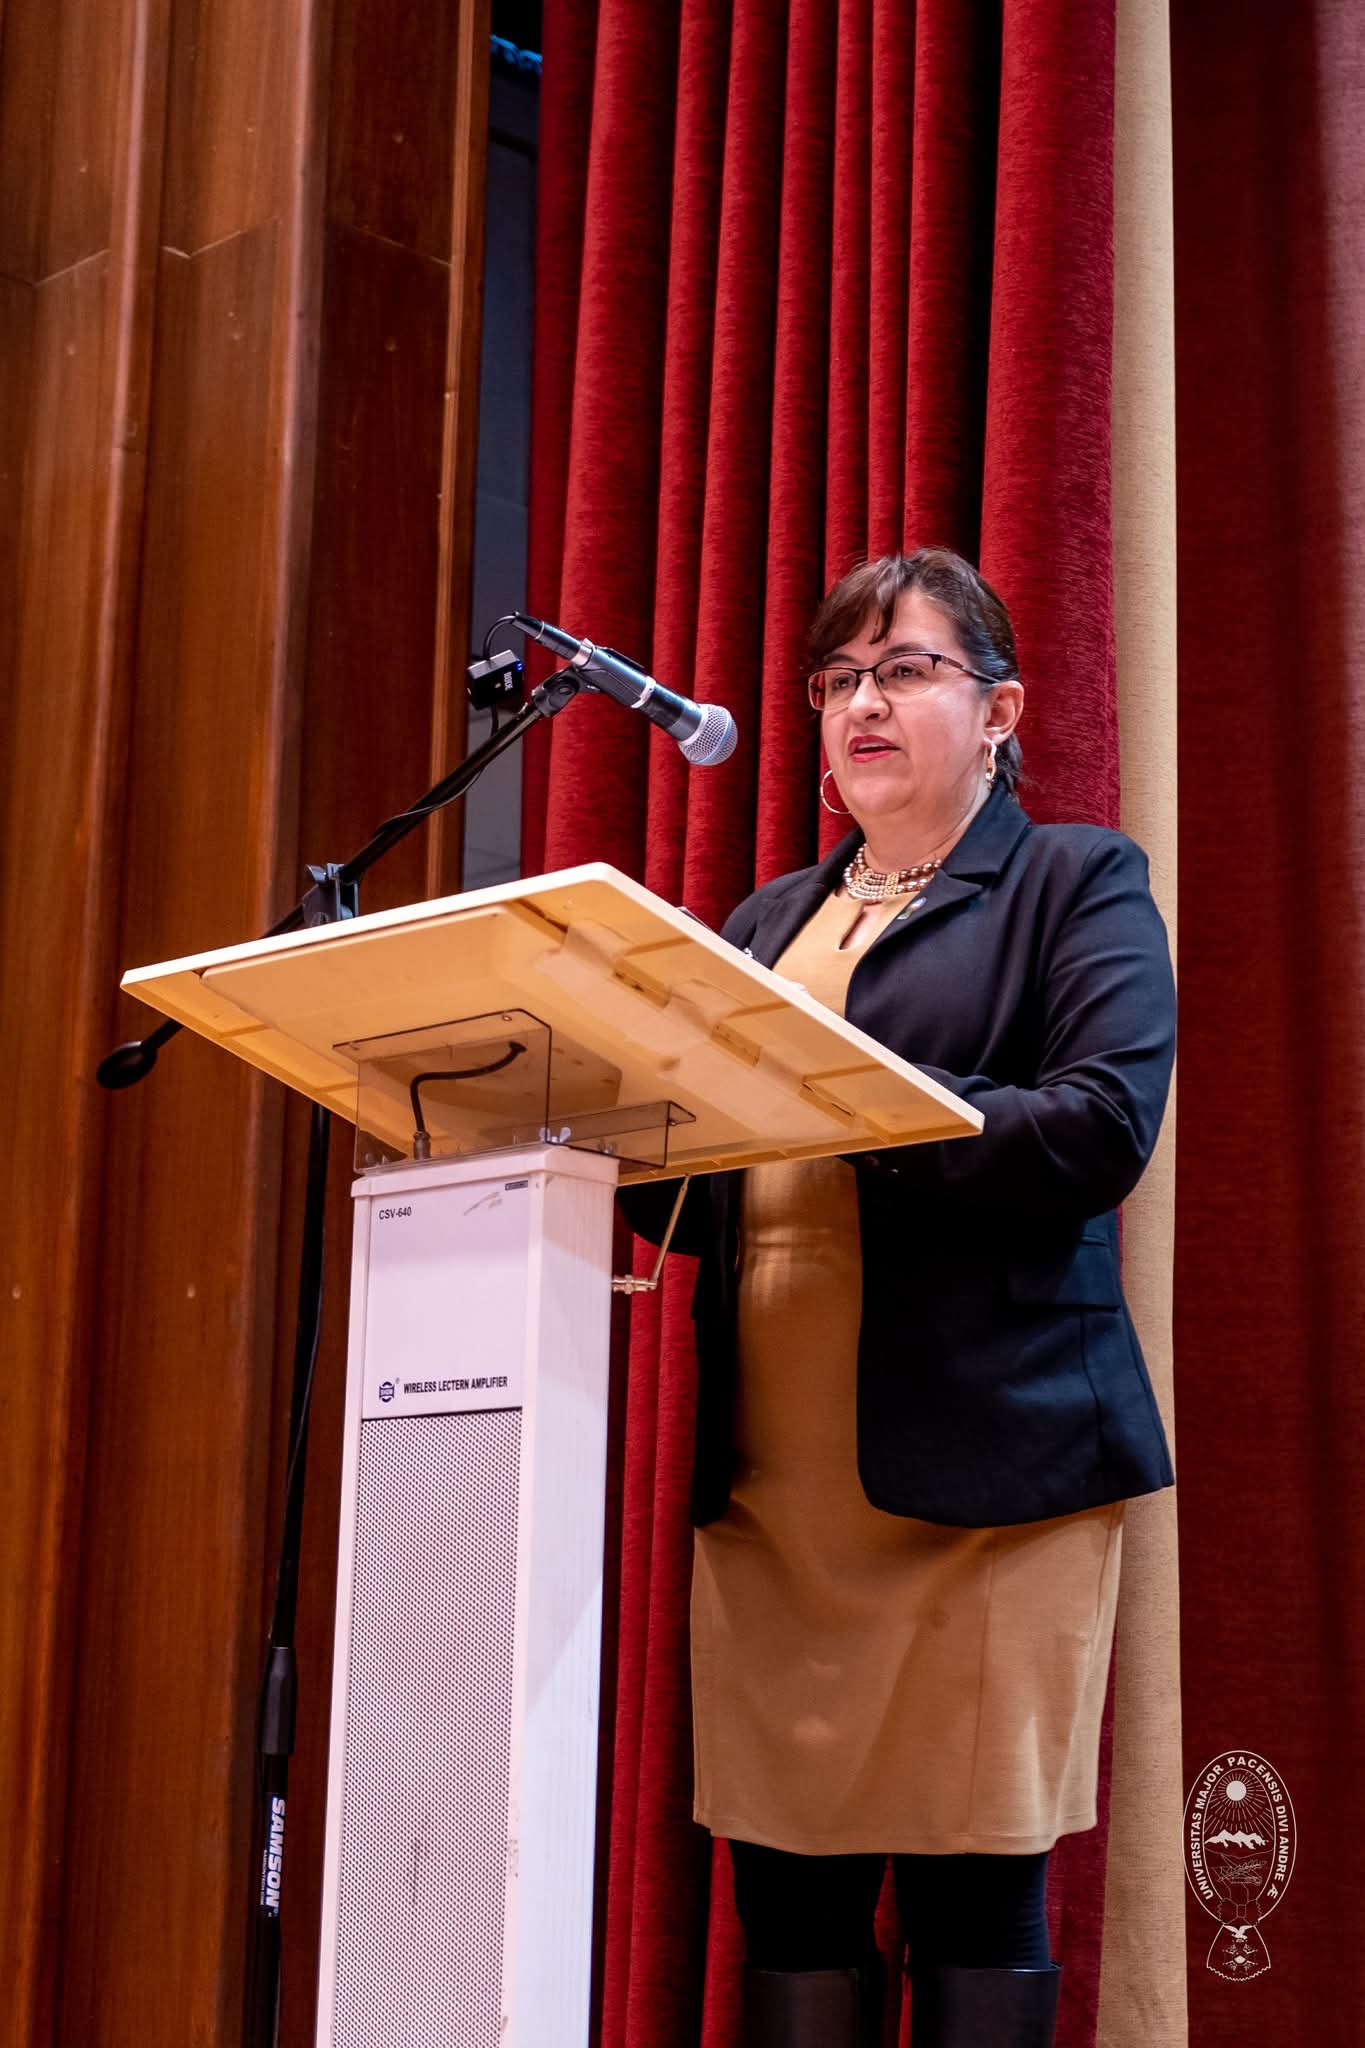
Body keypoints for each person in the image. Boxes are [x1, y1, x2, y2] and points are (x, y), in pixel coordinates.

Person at [620, 546, 1176, 2048]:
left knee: (972, 1894)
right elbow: (692, 1182)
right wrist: (590, 1132)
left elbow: (1097, 1128)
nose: (862, 703)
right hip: (777, 1498)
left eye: (907, 670)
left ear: (1000, 709)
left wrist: (850, 1099)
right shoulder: (762, 924)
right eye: (838, 680)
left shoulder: (1073, 881)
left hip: (986, 1482)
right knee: (786, 1901)